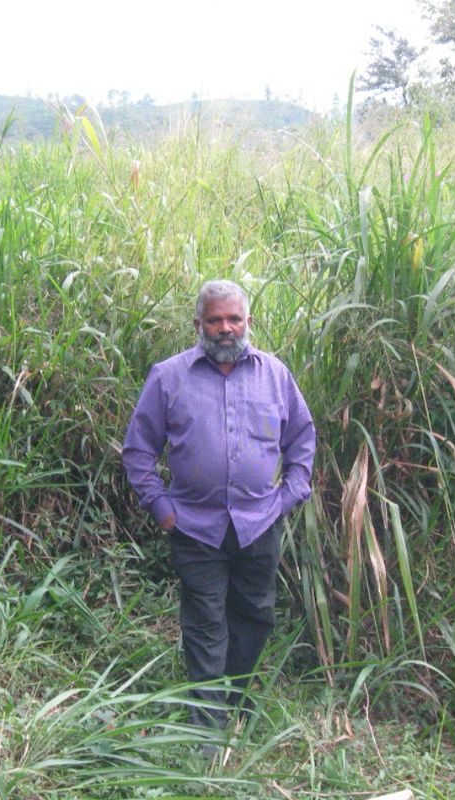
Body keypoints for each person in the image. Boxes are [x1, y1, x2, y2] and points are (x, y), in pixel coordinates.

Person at [122, 279, 316, 732]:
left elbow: (302, 438)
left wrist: (289, 494)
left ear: (248, 322)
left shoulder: (275, 374)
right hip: (194, 527)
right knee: (205, 622)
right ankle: (206, 728)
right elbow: (138, 450)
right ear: (198, 324)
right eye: (215, 320)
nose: (225, 328)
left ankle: (237, 698)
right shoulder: (169, 377)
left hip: (258, 524)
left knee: (256, 616)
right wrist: (162, 509)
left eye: (234, 319)